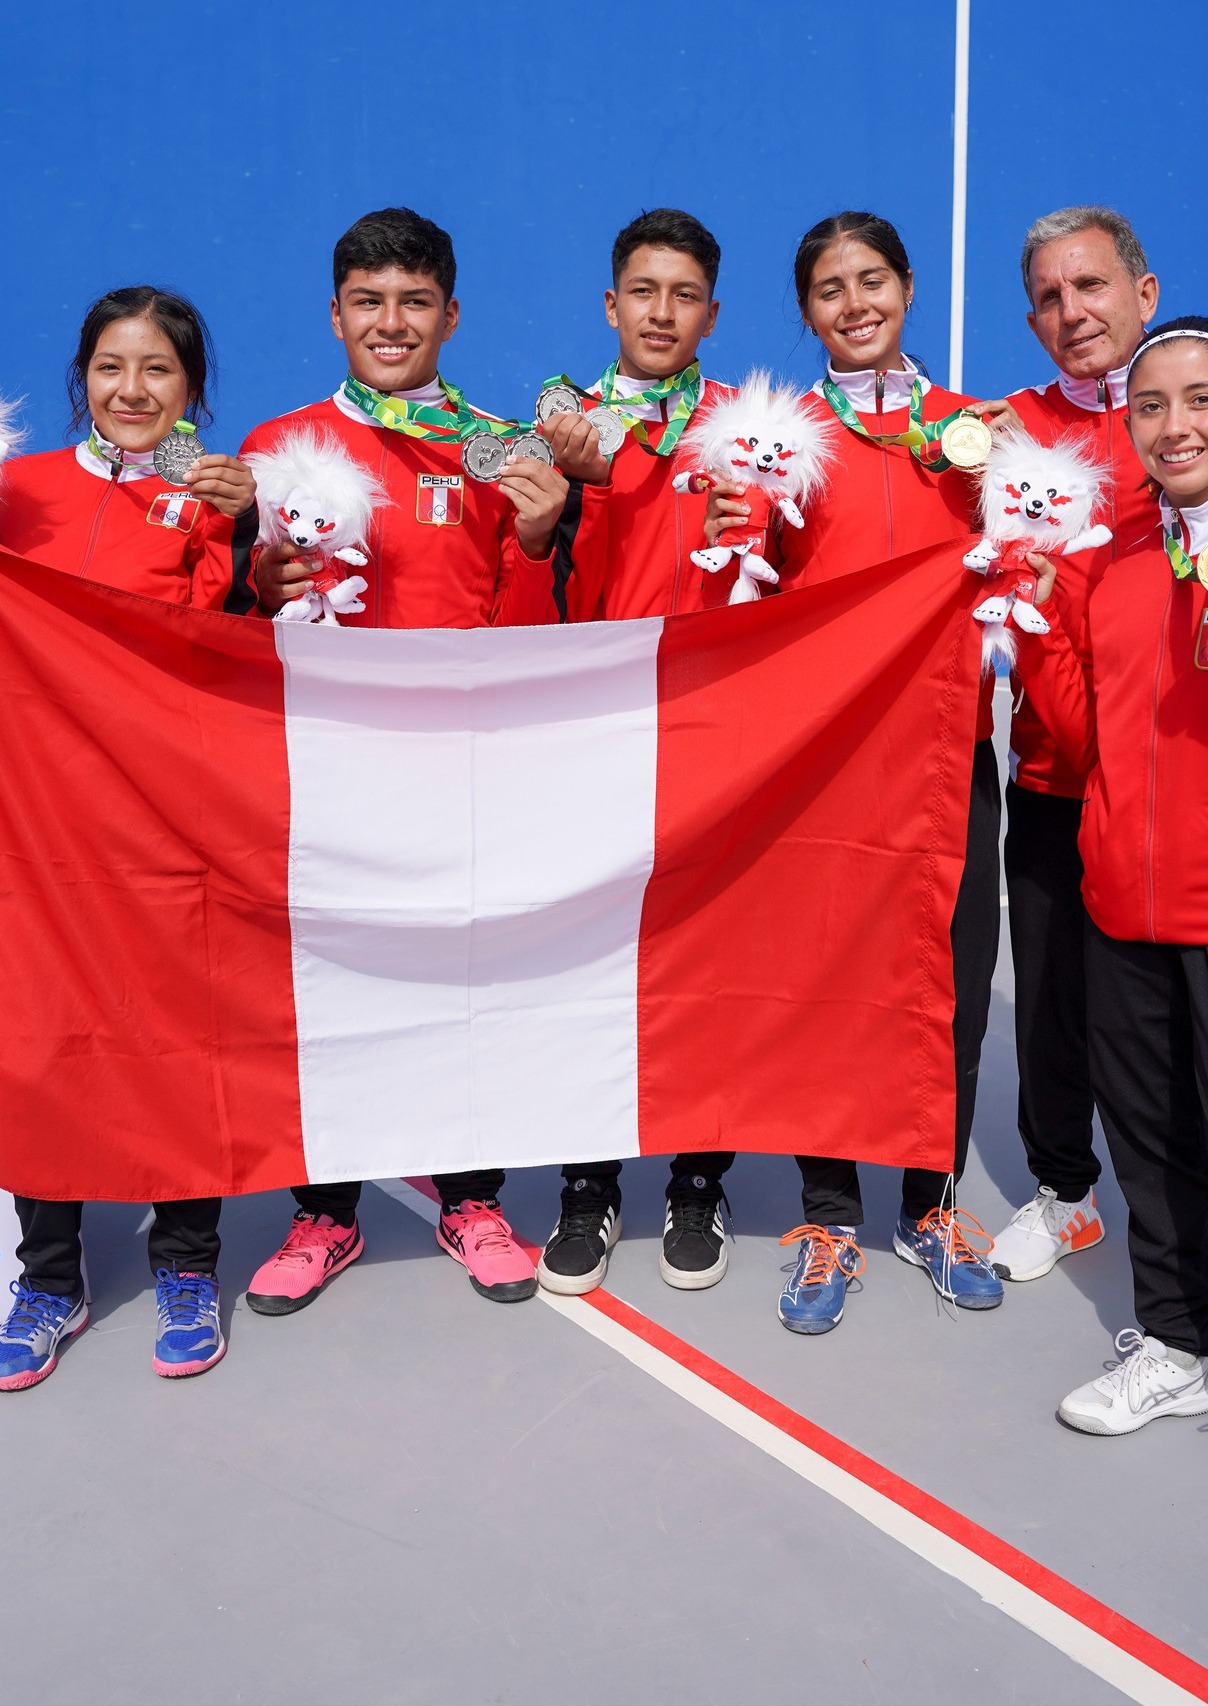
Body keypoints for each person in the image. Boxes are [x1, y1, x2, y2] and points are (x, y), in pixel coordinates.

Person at [1018, 316, 1208, 1513]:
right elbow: (1086, 734)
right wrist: (1044, 621)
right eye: (1151, 406)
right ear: (1129, 425)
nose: (1177, 424)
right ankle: (1172, 1346)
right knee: (1146, 1143)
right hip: (1123, 902)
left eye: (1202, 401)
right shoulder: (1112, 556)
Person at [241, 207, 567, 1315]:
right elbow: (240, 632)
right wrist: (261, 591)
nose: (392, 322)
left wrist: (532, 541)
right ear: (335, 315)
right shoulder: (277, 448)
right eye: (369, 302)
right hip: (324, 778)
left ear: (452, 314)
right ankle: (324, 1211)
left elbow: (524, 627)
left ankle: (469, 1195)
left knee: (464, 978)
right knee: (326, 987)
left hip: (458, 773)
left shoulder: (497, 447)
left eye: (415, 301)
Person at [980, 207, 1208, 1285]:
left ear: (1144, 291)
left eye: (1091, 286)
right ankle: (1066, 1190)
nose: (1071, 311)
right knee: (1058, 1005)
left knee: (1190, 1041)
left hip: (1188, 786)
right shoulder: (1006, 429)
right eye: (1048, 296)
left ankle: (1203, 1227)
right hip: (1055, 769)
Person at [709, 211, 1003, 1331]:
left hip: (946, 746)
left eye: (871, 280)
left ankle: (928, 1202)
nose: (854, 304)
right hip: (826, 756)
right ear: (806, 312)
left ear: (909, 286)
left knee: (950, 978)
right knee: (826, 976)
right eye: (829, 290)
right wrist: (743, 530)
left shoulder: (977, 431)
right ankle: (828, 1211)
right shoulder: (779, 432)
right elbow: (754, 593)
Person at [0, 285, 259, 1388]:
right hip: (30, 829)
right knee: (41, 1040)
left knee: (174, 1040)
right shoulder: (12, 493)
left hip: (159, 829)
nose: (131, 391)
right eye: (109, 366)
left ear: (192, 389)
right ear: (79, 377)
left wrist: (236, 532)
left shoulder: (215, 501)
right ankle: (52, 1275)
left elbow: (212, 659)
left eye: (158, 370)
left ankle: (188, 1261)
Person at [534, 209, 740, 1299]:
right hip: (592, 735)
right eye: (643, 292)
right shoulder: (557, 422)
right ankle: (587, 1179)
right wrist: (569, 494)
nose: (663, 313)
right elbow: (529, 583)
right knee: (594, 958)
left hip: (712, 732)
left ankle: (698, 1174)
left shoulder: (748, 430)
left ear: (713, 310)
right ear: (611, 305)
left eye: (685, 294)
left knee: (701, 954)